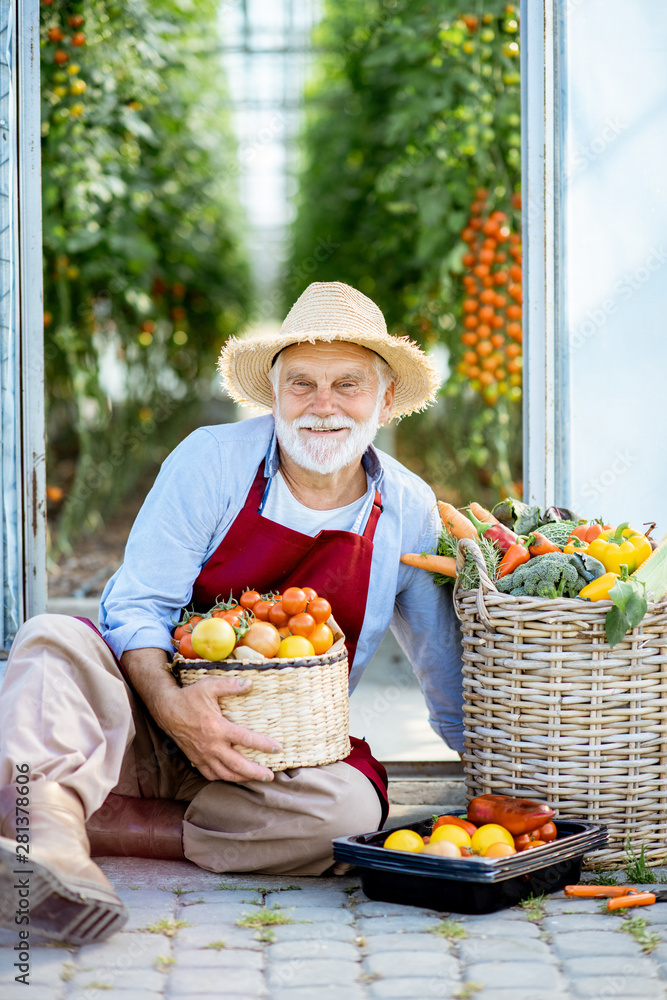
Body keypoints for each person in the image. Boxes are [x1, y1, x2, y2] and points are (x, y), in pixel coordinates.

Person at [0, 281, 463, 945]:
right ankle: (50, 852)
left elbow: (443, 677)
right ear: (272, 393)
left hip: (267, 760)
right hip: (137, 724)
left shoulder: (409, 510)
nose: (322, 405)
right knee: (50, 642)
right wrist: (171, 708)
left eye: (348, 384)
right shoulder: (212, 462)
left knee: (351, 814)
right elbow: (136, 604)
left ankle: (77, 819)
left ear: (385, 400)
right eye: (300, 383)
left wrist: (511, 798)